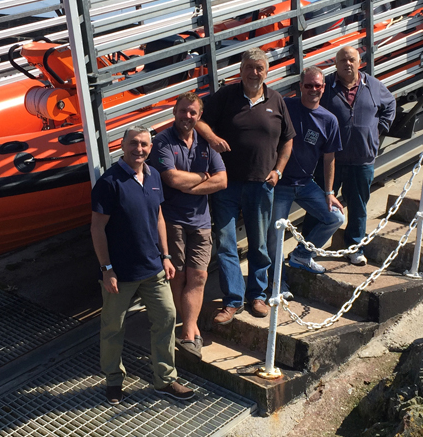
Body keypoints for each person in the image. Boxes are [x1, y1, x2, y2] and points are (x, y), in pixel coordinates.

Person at [90, 126, 195, 405]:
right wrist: (106, 268)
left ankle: (165, 379)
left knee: (166, 318)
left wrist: (166, 255)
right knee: (113, 328)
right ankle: (113, 380)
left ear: (150, 148)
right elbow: (97, 228)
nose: (140, 149)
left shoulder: (154, 176)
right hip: (120, 274)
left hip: (154, 269)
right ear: (122, 145)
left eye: (145, 145)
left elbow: (159, 217)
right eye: (134, 143)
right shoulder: (109, 182)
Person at [195, 48, 295, 323]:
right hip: (225, 183)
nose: (254, 73)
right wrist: (213, 138)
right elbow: (199, 121)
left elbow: (288, 139)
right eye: (249, 67)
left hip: (261, 183)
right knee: (226, 243)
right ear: (240, 71)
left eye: (259, 68)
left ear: (266, 71)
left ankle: (257, 296)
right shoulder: (226, 96)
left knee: (259, 243)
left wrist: (278, 171)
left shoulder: (276, 100)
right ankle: (232, 301)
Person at [150, 93, 227, 358]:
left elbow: (222, 181)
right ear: (175, 112)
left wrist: (191, 184)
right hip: (173, 221)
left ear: (199, 115)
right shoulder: (162, 141)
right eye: (183, 111)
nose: (188, 116)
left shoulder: (205, 142)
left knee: (200, 276)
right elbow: (171, 178)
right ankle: (188, 332)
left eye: (193, 112)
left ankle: (189, 327)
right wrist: (203, 179)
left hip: (202, 222)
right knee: (178, 276)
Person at [306, 46, 396, 265]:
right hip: (330, 160)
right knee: (319, 204)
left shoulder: (373, 85)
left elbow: (391, 104)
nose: (347, 64)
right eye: (342, 60)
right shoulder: (326, 87)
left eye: (351, 60)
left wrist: (379, 128)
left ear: (359, 62)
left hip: (362, 159)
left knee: (358, 206)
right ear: (335, 64)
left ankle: (354, 247)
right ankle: (309, 247)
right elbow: (309, 109)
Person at [267, 67, 345, 295]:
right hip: (280, 184)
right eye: (308, 85)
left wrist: (329, 192)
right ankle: (277, 283)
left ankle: (302, 255)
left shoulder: (329, 120)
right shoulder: (286, 106)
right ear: (300, 86)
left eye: (317, 86)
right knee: (275, 235)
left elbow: (330, 159)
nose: (313, 89)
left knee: (335, 217)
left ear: (324, 88)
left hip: (305, 183)